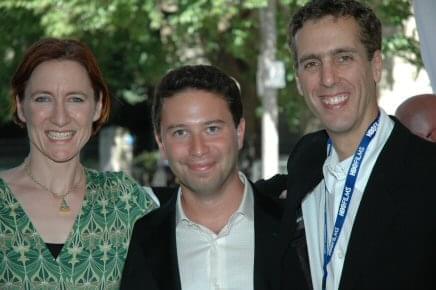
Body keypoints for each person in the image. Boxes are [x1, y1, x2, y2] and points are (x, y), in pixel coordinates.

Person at [274, 1, 436, 290]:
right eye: (312, 63)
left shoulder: (427, 172)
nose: (327, 78)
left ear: (375, 66)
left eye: (343, 58)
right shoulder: (305, 160)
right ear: (298, 80)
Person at [0, 38, 158, 289]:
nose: (60, 117)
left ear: (97, 107)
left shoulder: (126, 202)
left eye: (75, 99)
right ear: (21, 107)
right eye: (43, 99)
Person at [121, 65, 285, 290]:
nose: (198, 149)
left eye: (212, 129)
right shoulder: (144, 239)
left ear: (239, 132)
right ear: (161, 143)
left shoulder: (293, 228)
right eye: (180, 132)